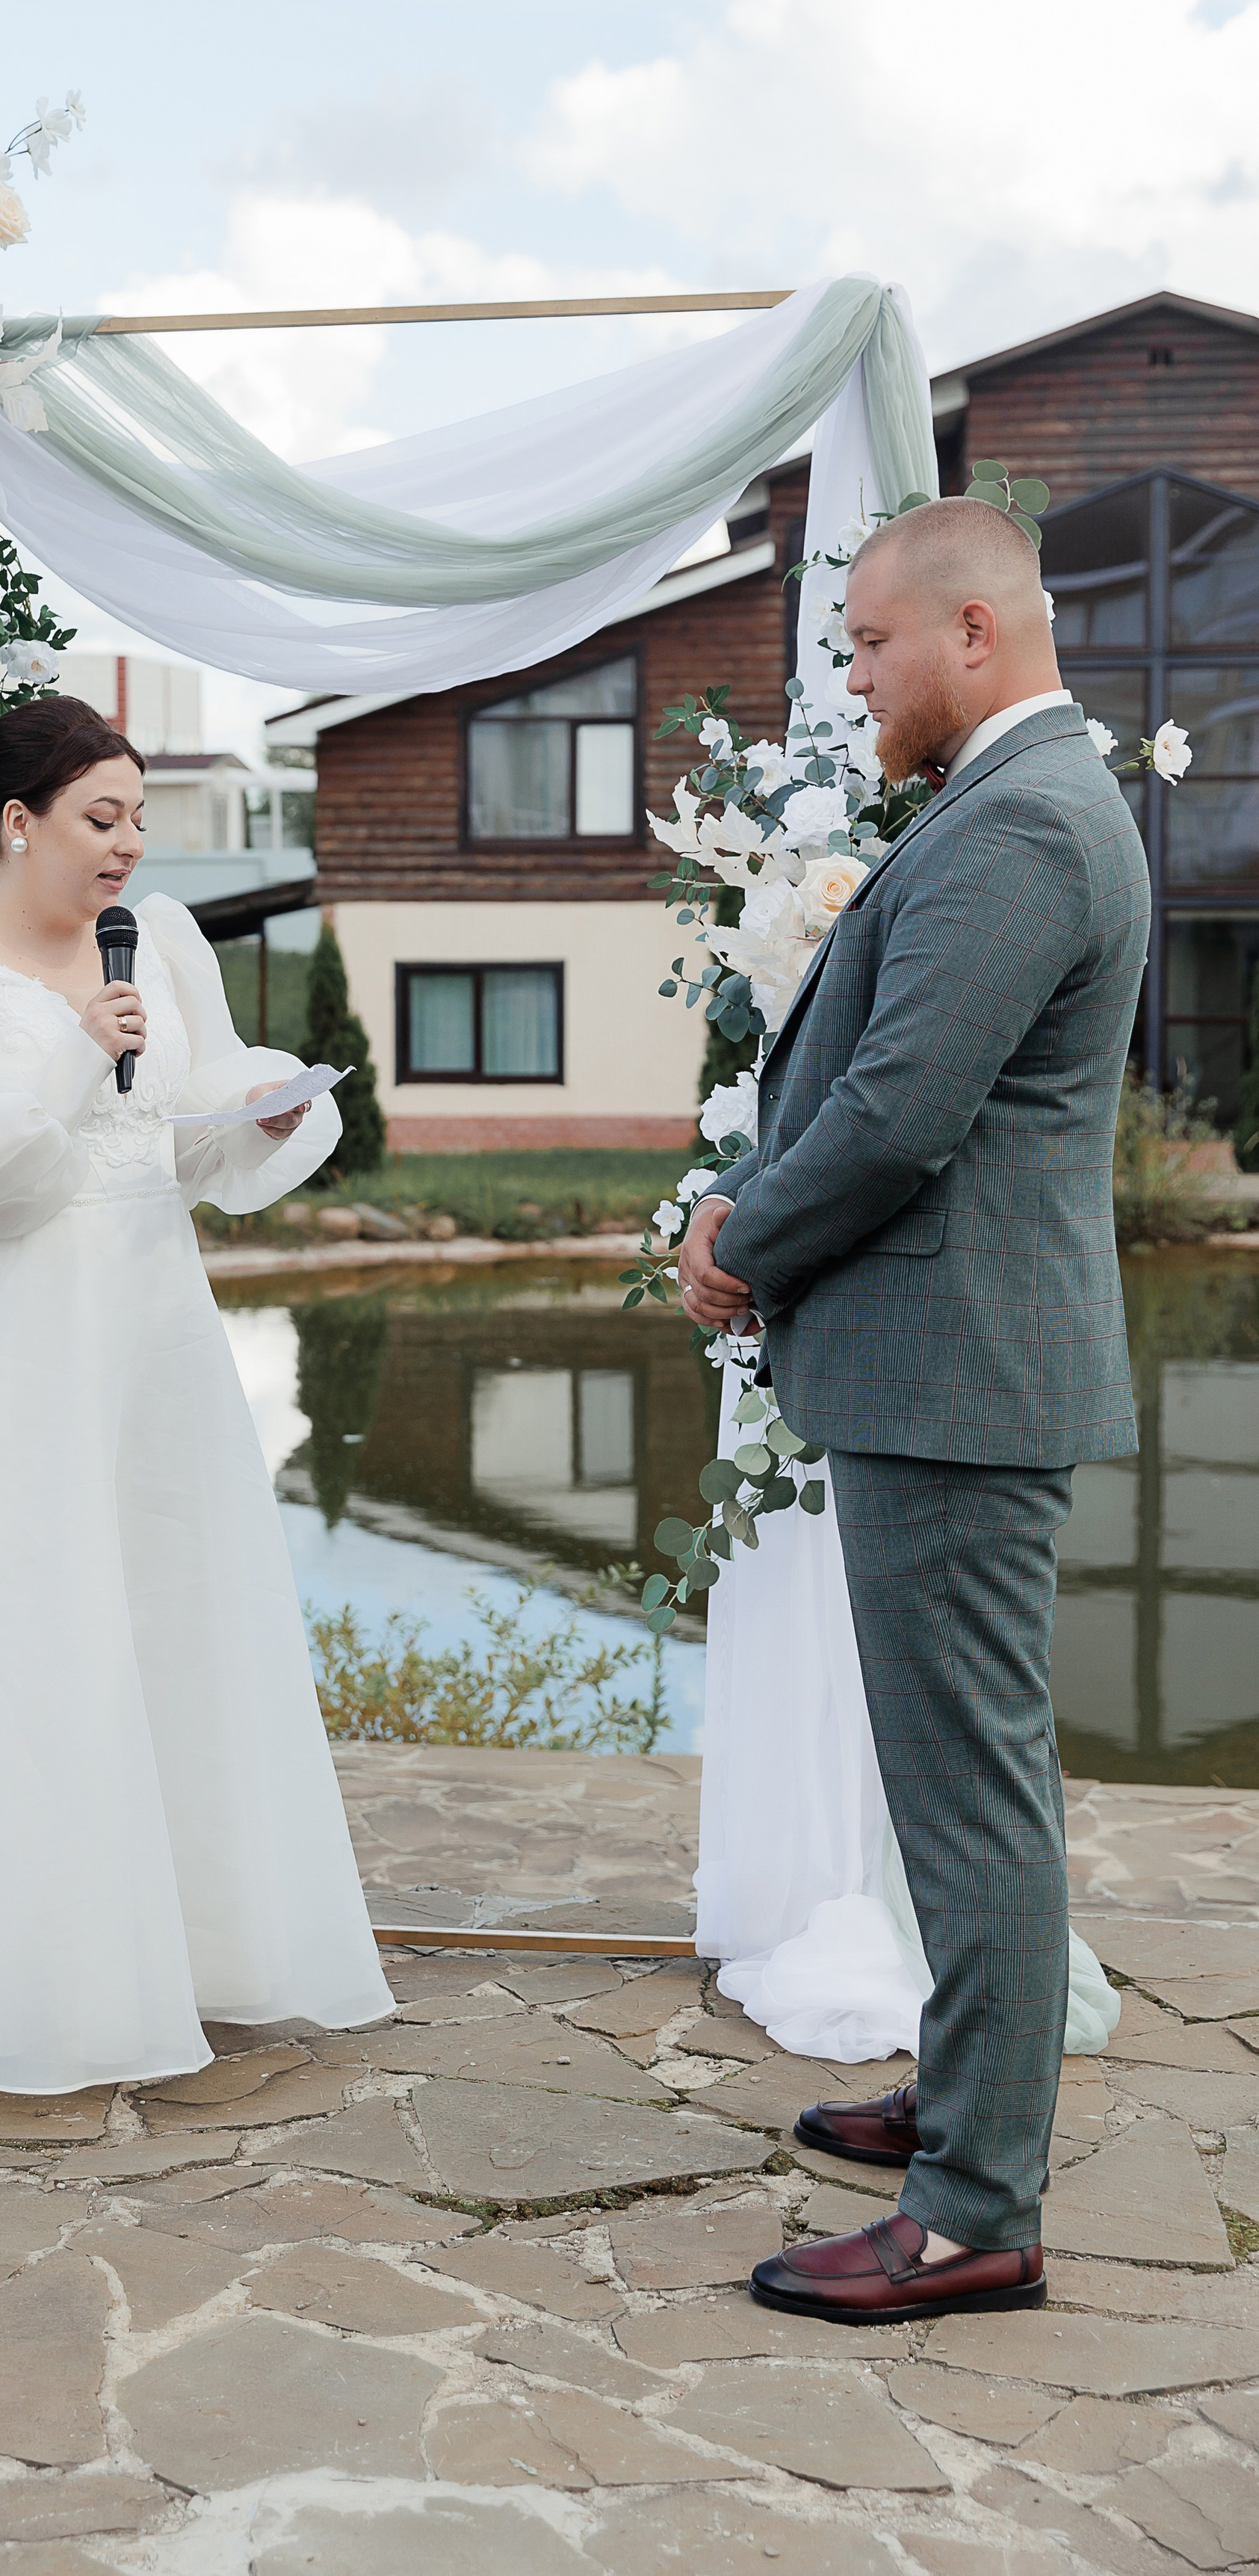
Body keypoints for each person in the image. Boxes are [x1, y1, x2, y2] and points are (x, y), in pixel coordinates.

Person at [0, 694, 392, 2091]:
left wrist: (268, 1104)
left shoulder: (156, 941)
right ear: (17, 821)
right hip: (3, 1339)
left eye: (141, 818)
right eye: (103, 818)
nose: (130, 847)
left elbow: (189, 1119)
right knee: (22, 1623)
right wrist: (56, 1048)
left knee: (163, 1608)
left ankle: (194, 1948)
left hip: (149, 1327)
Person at [680, 497, 1148, 2323]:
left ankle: (972, 2213)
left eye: (867, 645)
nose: (851, 678)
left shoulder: (1022, 819)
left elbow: (893, 1113)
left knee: (973, 1804)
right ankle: (959, 2109)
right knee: (959, 1783)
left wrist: (736, 1237)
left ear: (972, 631)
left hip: (954, 1376)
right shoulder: (1006, 800)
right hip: (947, 1363)